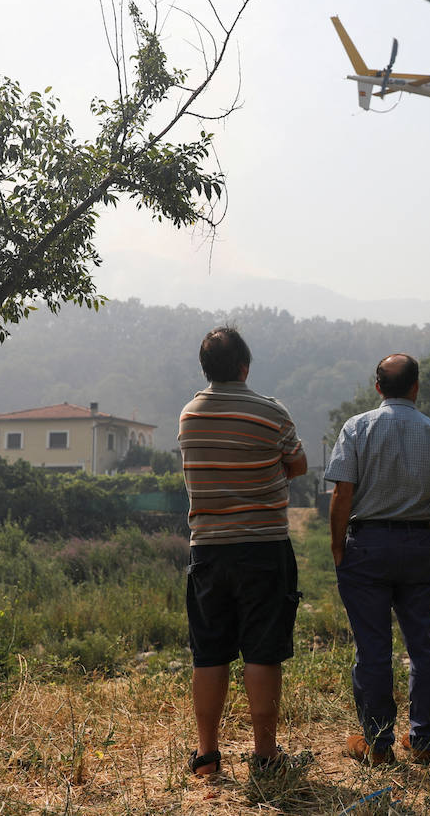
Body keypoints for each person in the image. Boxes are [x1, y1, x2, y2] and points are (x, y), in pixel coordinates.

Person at [179, 327, 308, 778]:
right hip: (264, 547)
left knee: (209, 653)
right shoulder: (271, 412)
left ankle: (207, 756)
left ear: (205, 369)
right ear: (245, 367)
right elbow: (298, 464)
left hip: (208, 551)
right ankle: (265, 755)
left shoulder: (189, 414)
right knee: (262, 651)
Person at [325, 353, 430, 766]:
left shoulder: (357, 428)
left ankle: (379, 743)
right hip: (418, 546)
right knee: (421, 647)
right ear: (416, 387)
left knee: (372, 650)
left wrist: (337, 547)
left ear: (378, 388)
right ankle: (422, 742)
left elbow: (341, 494)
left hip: (366, 547)